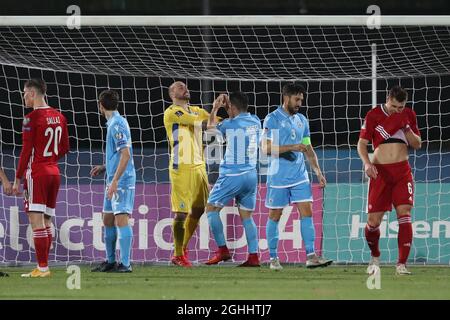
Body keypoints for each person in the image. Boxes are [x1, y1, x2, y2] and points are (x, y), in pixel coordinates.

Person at [261, 82, 332, 270]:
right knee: (275, 215)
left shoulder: (302, 120)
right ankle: (273, 258)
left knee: (307, 212)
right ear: (286, 98)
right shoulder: (272, 119)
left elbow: (307, 147)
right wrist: (292, 147)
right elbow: (266, 148)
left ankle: (311, 256)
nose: (300, 103)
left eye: (301, 99)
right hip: (278, 177)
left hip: (300, 176)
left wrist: (318, 172)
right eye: (297, 99)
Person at [358, 85, 421, 275]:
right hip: (380, 173)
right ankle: (375, 256)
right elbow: (362, 144)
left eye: (401, 107)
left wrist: (406, 126)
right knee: (373, 222)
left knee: (404, 213)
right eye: (394, 106)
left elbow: (417, 144)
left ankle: (401, 264)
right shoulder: (373, 115)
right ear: (388, 99)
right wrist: (367, 164)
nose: (397, 111)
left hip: (402, 171)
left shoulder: (408, 115)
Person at [12, 79, 69, 277]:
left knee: (36, 221)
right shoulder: (59, 116)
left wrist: (17, 179)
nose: (24, 97)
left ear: (33, 93)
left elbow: (26, 151)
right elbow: (64, 148)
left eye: (25, 93)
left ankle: (43, 268)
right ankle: (44, 266)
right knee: (46, 221)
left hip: (37, 173)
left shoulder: (30, 118)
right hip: (54, 172)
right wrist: (50, 159)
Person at [205, 92, 261, 267]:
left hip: (232, 175)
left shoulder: (229, 124)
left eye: (229, 107)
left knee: (211, 209)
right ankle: (253, 257)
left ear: (233, 108)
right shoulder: (256, 121)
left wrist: (215, 107)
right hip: (251, 175)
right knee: (247, 216)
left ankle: (223, 250)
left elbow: (209, 128)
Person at [163, 81, 210, 267]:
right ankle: (177, 254)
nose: (186, 88)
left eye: (186, 86)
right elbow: (203, 121)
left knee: (199, 210)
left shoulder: (196, 109)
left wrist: (218, 109)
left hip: (200, 165)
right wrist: (213, 113)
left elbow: (216, 122)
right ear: (172, 93)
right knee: (181, 213)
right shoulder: (172, 112)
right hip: (181, 166)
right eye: (180, 87)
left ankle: (182, 247)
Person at [90, 90, 135, 273]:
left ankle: (125, 264)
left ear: (100, 105)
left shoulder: (116, 124)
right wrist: (104, 167)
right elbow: (118, 155)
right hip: (113, 177)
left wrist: (115, 180)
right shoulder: (114, 123)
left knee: (121, 219)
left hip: (122, 180)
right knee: (107, 218)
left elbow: (126, 154)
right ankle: (110, 261)